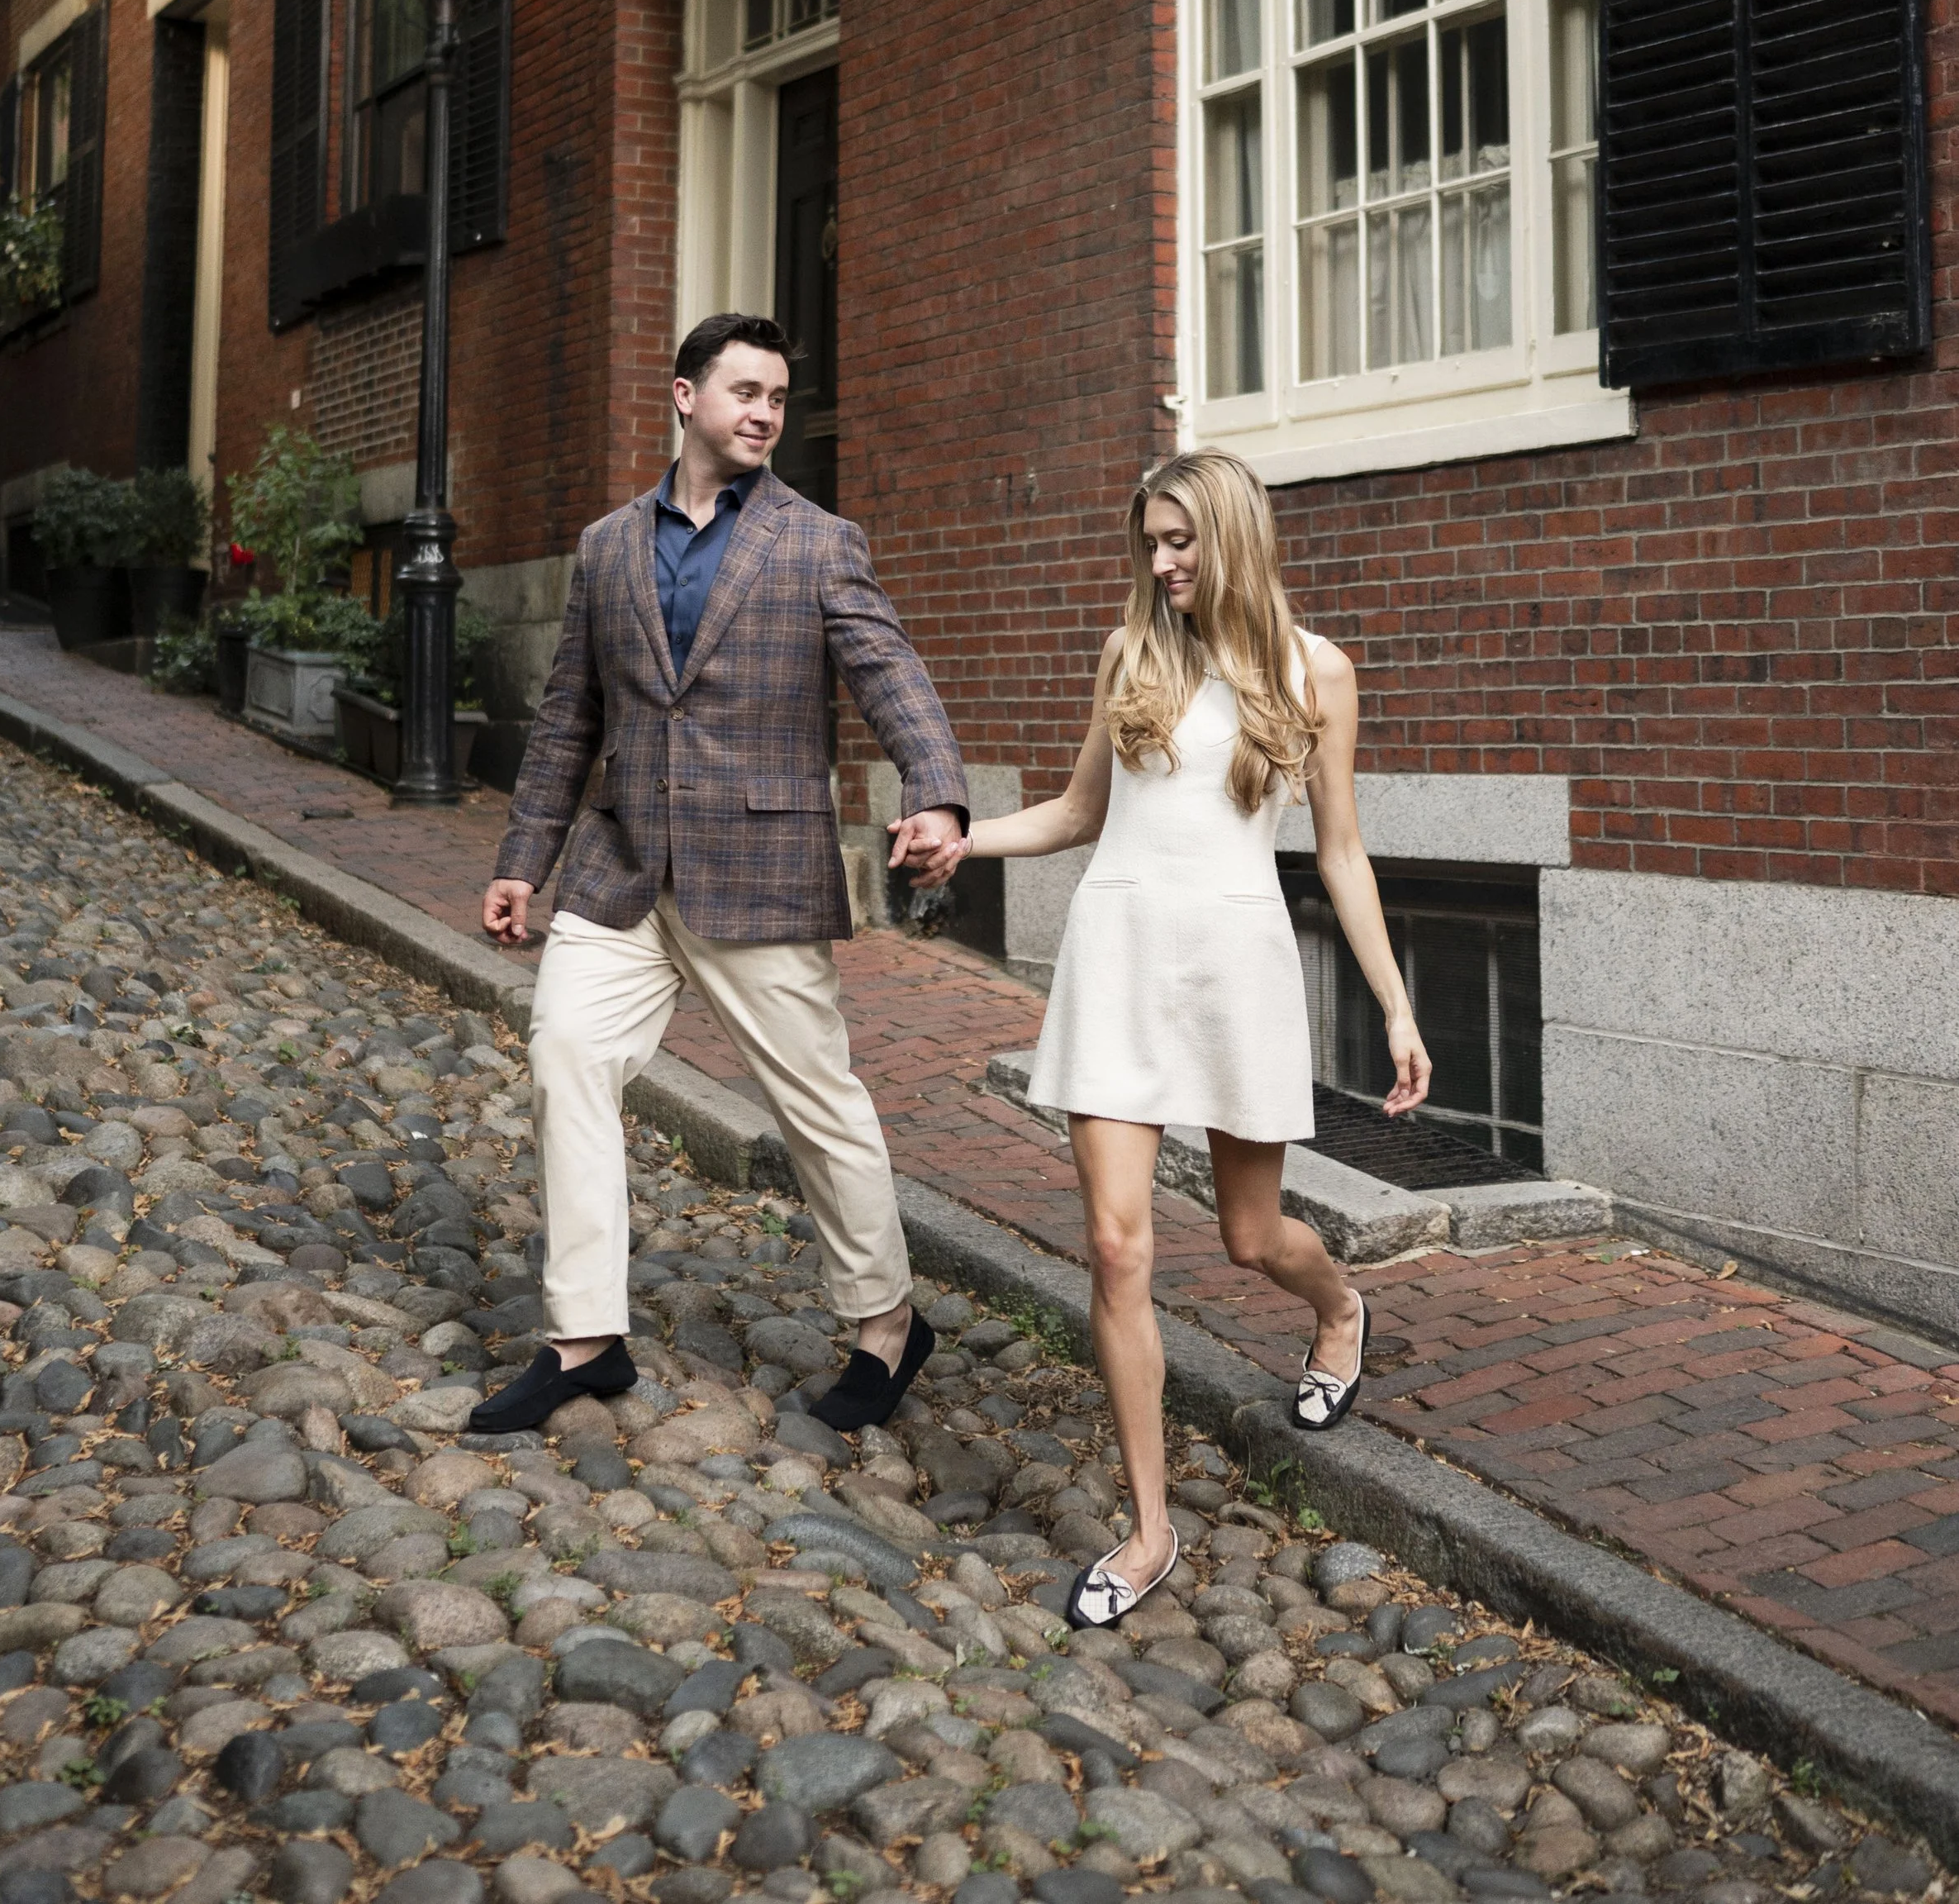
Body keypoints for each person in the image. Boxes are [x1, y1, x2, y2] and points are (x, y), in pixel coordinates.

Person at [911, 449, 1430, 1630]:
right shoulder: (1131, 652)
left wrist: (1395, 1005)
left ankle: (1340, 1310)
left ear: (1234, 537)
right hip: (1121, 957)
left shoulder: (1317, 672)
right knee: (1115, 1245)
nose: (1160, 563)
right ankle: (1151, 1531)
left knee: (1251, 1239)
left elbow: (1341, 850)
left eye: (1180, 542)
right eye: (1149, 542)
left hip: (1236, 966)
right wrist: (963, 836)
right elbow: (1080, 815)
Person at [471, 312, 969, 1439]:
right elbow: (567, 720)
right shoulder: (606, 547)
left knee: (818, 1105)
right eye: (745, 391)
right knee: (566, 1056)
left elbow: (887, 669)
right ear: (684, 396)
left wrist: (933, 789)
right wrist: (523, 862)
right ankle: (586, 1340)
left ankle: (886, 1324)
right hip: (620, 867)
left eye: (779, 398)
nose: (765, 414)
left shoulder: (815, 539)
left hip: (758, 865)